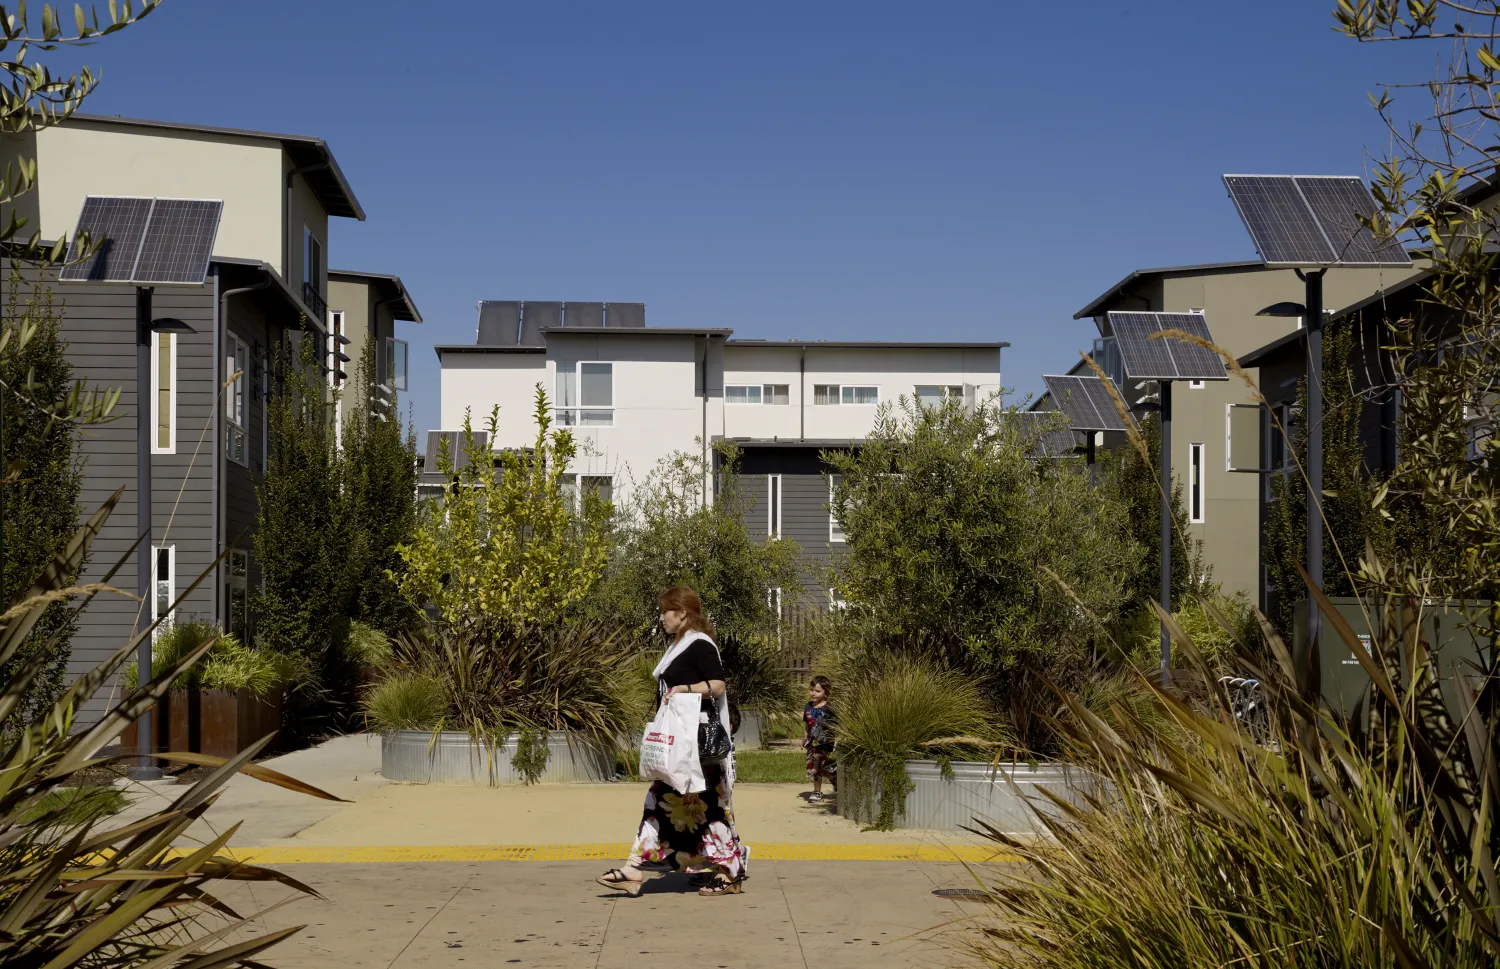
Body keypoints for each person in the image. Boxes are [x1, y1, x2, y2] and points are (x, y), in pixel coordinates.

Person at [597, 587, 747, 897]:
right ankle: (635, 868)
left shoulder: (700, 645)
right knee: (667, 803)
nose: (661, 616)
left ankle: (728, 872)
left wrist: (685, 688)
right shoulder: (678, 646)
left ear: (682, 613)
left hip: (695, 748)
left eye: (666, 611)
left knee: (706, 808)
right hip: (680, 745)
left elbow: (718, 685)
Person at [803, 675, 836, 801]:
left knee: (816, 765)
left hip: (824, 743)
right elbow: (807, 723)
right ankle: (833, 776)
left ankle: (817, 792)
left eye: (817, 691)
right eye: (812, 690)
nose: (813, 693)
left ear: (825, 692)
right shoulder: (808, 706)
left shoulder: (829, 708)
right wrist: (805, 736)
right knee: (813, 768)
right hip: (811, 742)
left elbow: (836, 726)